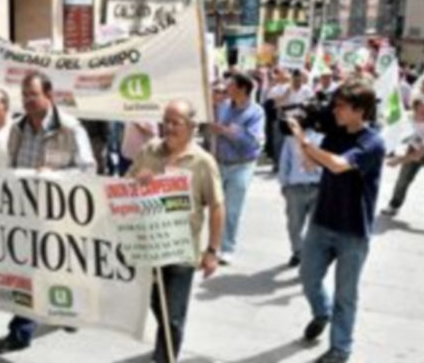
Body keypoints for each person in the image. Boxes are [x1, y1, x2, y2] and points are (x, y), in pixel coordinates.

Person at [0, 72, 95, 355]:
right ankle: (21, 332)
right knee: (29, 272)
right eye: (24, 95)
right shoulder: (17, 128)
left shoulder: (71, 129)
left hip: (60, 215)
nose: (27, 100)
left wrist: (56, 175)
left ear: (50, 95)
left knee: (60, 268)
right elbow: (11, 164)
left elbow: (88, 169)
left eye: (33, 95)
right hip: (25, 213)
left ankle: (67, 312)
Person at [287, 81, 385, 363]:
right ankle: (322, 311)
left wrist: (306, 143)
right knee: (308, 277)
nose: (335, 110)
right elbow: (311, 165)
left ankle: (340, 349)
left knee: (346, 294)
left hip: (353, 230)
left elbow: (339, 165)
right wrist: (299, 137)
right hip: (322, 221)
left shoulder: (373, 142)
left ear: (360, 110)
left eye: (341, 105)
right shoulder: (336, 134)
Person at [127, 100, 224, 363]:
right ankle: (166, 340)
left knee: (174, 316)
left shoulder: (203, 162)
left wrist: (212, 251)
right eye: (165, 121)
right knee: (158, 306)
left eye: (175, 122)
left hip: (181, 251)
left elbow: (216, 206)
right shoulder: (148, 151)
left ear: (192, 127)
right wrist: (137, 182)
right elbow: (123, 189)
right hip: (149, 247)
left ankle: (165, 356)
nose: (168, 127)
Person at [209, 72, 265, 265]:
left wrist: (227, 132)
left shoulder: (256, 112)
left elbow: (252, 143)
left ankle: (227, 248)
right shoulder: (223, 107)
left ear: (242, 89)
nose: (226, 90)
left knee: (232, 209)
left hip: (242, 165)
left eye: (230, 86)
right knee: (216, 206)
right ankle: (213, 245)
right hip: (219, 163)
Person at [381, 98, 424, 239]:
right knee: (403, 179)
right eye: (423, 111)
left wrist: (398, 160)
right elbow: (392, 122)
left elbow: (418, 156)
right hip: (414, 148)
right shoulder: (407, 118)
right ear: (415, 110)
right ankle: (394, 205)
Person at [278, 124, 324, 267]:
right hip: (295, 188)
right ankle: (298, 252)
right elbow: (284, 162)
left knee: (315, 226)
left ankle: (313, 256)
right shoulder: (290, 139)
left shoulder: (321, 137)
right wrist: (284, 184)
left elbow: (327, 163)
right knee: (294, 225)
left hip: (317, 187)